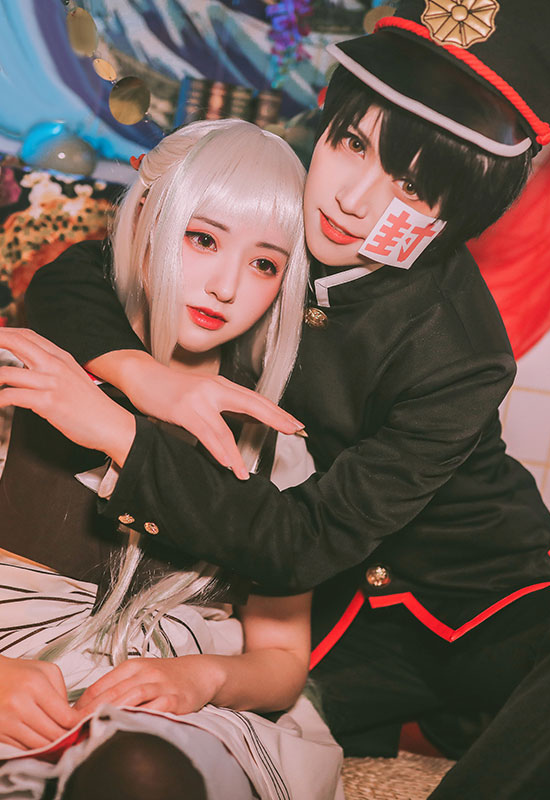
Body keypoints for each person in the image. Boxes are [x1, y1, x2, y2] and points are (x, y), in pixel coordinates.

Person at [9, 0, 550, 797]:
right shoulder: (275, 199)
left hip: (486, 615)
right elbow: (83, 272)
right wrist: (148, 378)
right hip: (336, 639)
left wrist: (123, 433)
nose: (353, 198)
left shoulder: (462, 353)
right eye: (352, 143)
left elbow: (301, 541)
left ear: (463, 215)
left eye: (413, 186)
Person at [0, 119, 343, 800]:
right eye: (204, 239)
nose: (226, 286)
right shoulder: (37, 369)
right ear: (146, 219)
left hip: (170, 705)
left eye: (265, 264)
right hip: (15, 666)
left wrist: (202, 678)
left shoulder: (276, 440)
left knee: (142, 772)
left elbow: (281, 659)